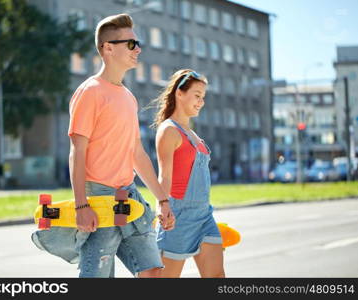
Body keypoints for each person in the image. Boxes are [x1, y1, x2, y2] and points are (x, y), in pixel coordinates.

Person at [32, 13, 175, 278]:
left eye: (137, 43)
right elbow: (77, 152)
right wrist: (81, 206)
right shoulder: (90, 92)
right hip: (98, 202)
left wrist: (162, 199)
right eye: (131, 44)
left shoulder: (128, 98)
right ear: (108, 48)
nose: (138, 49)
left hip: (129, 198)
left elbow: (136, 153)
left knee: (153, 274)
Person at [152, 69, 225, 278]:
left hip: (204, 215)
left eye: (203, 97)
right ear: (179, 93)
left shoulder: (192, 134)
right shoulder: (169, 130)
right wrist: (162, 206)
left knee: (217, 276)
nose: (201, 102)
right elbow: (164, 176)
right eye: (197, 95)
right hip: (178, 216)